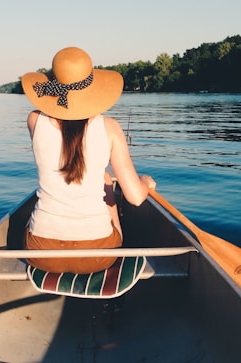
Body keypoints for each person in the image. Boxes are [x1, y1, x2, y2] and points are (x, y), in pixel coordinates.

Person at [21, 46, 156, 274]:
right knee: (106, 181)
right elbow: (135, 197)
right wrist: (146, 182)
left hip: (41, 253)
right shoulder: (110, 128)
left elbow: (67, 147)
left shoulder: (34, 120)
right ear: (92, 87)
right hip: (99, 255)